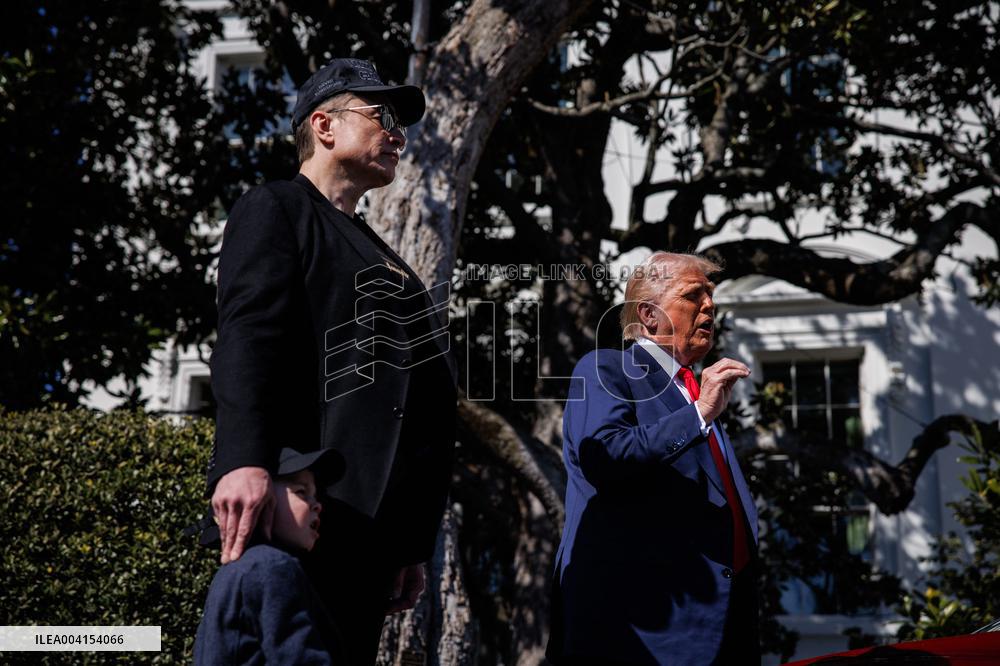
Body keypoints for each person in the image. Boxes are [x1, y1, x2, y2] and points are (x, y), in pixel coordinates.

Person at [207, 58, 457, 664]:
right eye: (381, 115)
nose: (397, 133)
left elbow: (411, 402)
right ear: (324, 125)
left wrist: (409, 541)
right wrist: (243, 462)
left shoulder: (382, 254)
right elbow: (249, 339)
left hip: (368, 540)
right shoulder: (276, 209)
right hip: (300, 514)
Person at [547, 252, 759, 665]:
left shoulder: (696, 395)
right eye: (693, 294)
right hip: (642, 634)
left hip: (720, 629)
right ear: (649, 314)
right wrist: (698, 415)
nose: (709, 305)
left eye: (711, 295)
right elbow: (606, 456)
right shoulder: (607, 369)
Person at [194, 448, 346, 665]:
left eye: (315, 495)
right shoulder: (272, 566)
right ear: (259, 497)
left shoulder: (235, 569)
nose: (317, 505)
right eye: (301, 492)